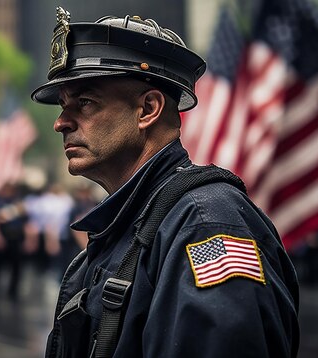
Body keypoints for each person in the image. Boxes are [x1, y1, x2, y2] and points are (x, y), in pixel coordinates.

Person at [31, 8, 300, 358]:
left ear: (148, 109)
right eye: (63, 106)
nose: (61, 123)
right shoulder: (131, 226)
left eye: (85, 103)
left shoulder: (206, 224)